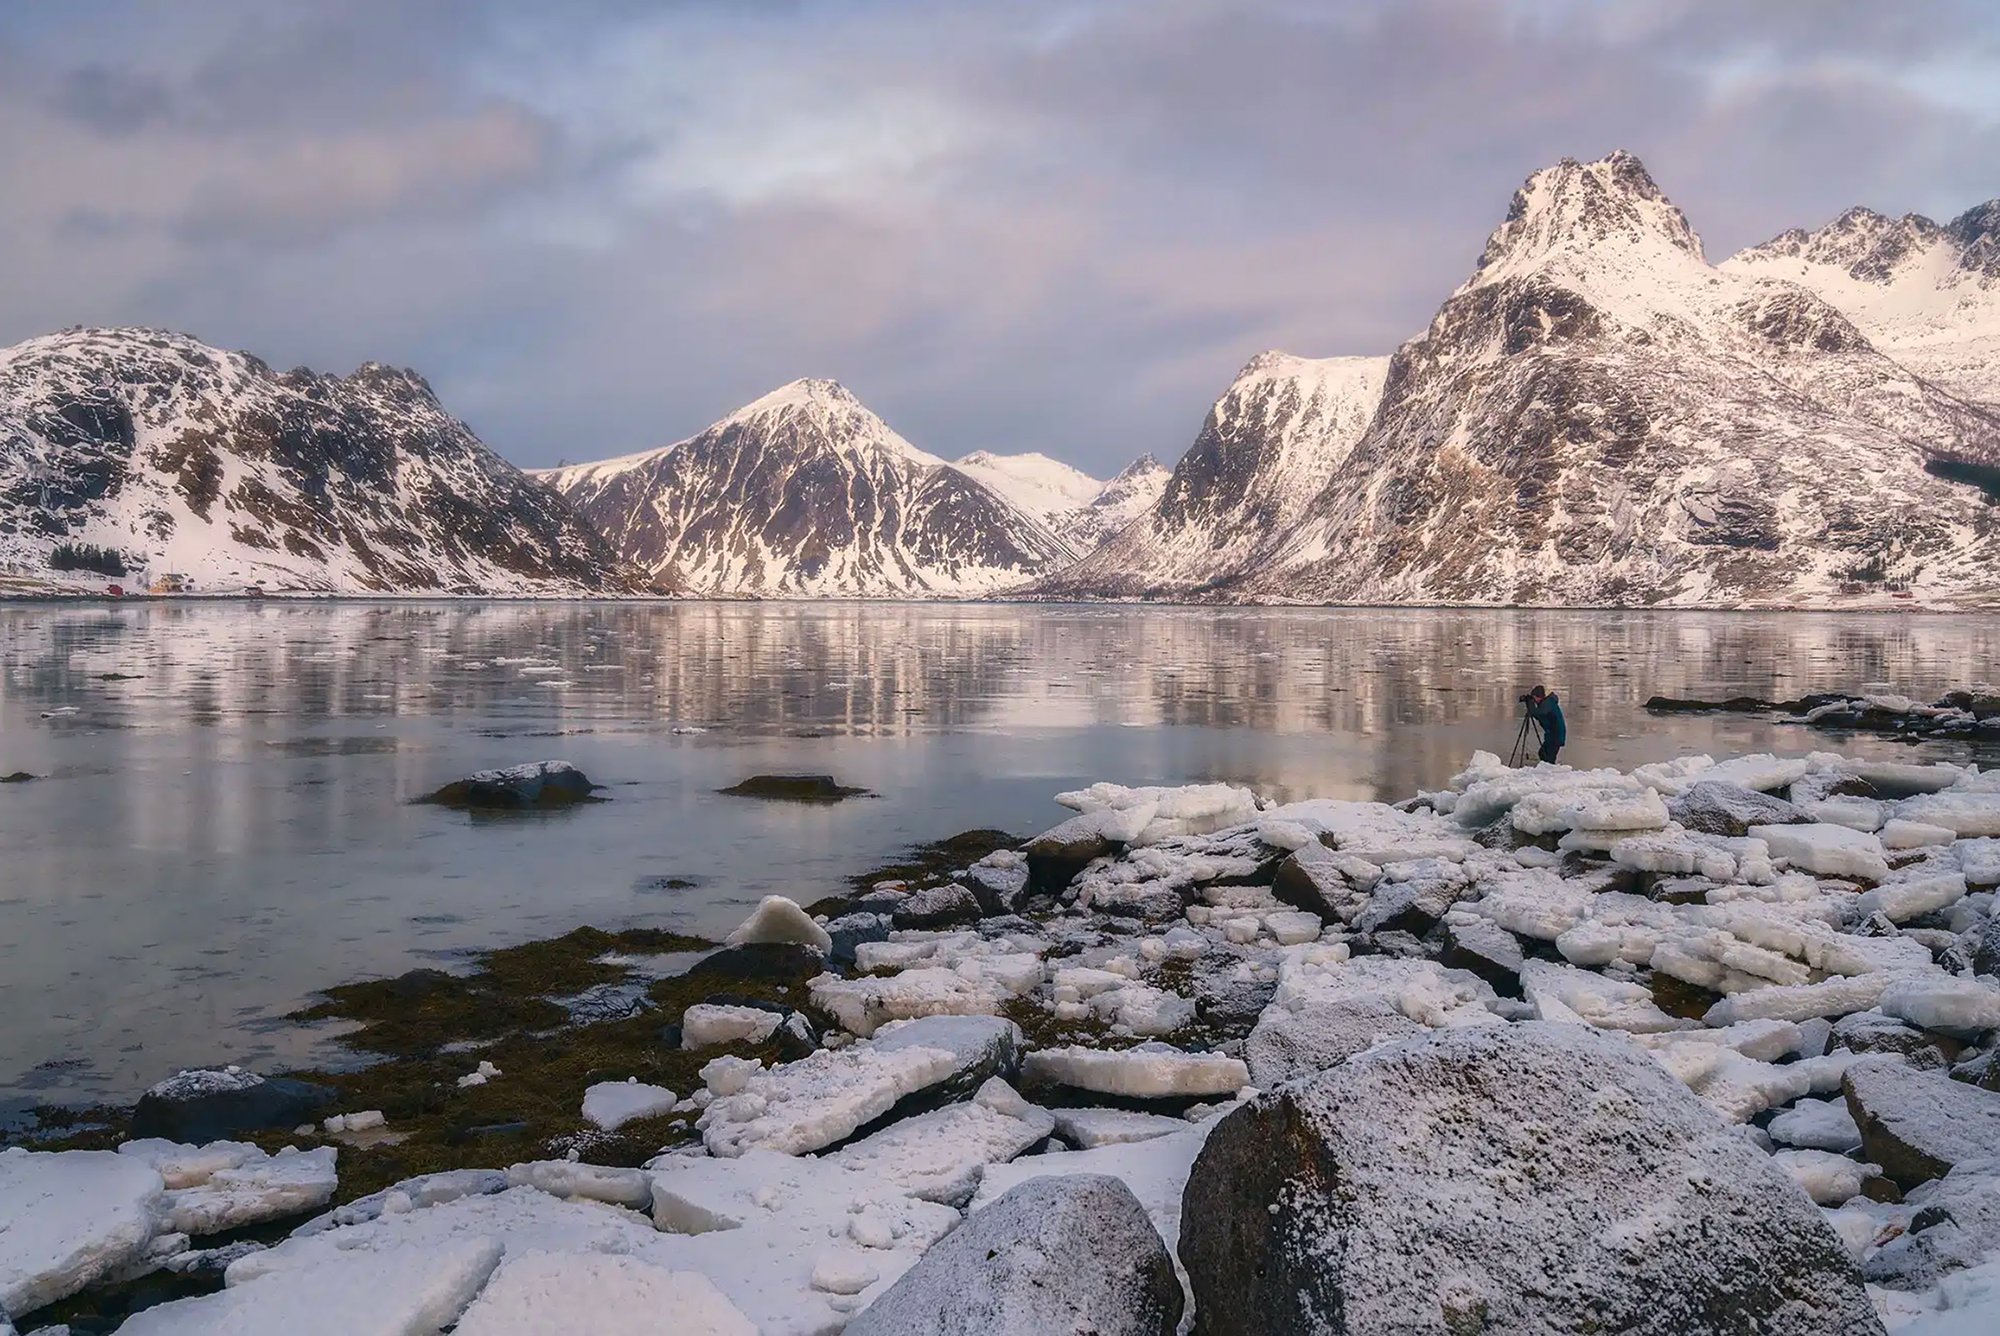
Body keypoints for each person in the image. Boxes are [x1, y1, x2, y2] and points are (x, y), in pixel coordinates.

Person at [1525, 685, 1566, 764]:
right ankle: (1547, 770)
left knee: (1549, 758)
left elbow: (1539, 713)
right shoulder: (1546, 703)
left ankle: (1550, 773)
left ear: (1539, 697)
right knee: (1542, 753)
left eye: (1534, 698)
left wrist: (1530, 705)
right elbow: (1539, 715)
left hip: (1556, 735)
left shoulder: (1548, 703)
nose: (1534, 700)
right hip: (1551, 734)